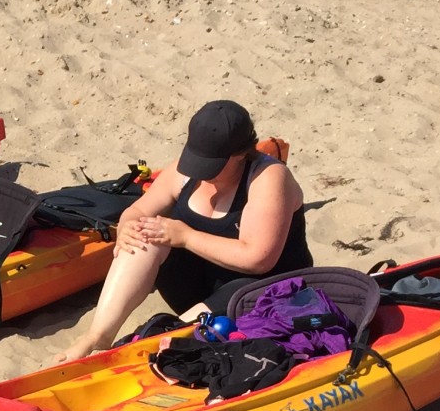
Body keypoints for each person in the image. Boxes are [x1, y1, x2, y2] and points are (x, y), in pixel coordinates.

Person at [56, 100, 311, 363]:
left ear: (239, 154)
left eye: (210, 165)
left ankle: (158, 343)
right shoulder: (185, 171)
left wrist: (186, 236)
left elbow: (258, 259)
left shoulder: (268, 178)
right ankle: (97, 336)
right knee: (146, 231)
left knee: (176, 334)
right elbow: (136, 211)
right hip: (197, 286)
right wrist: (127, 227)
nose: (201, 172)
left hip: (261, 291)